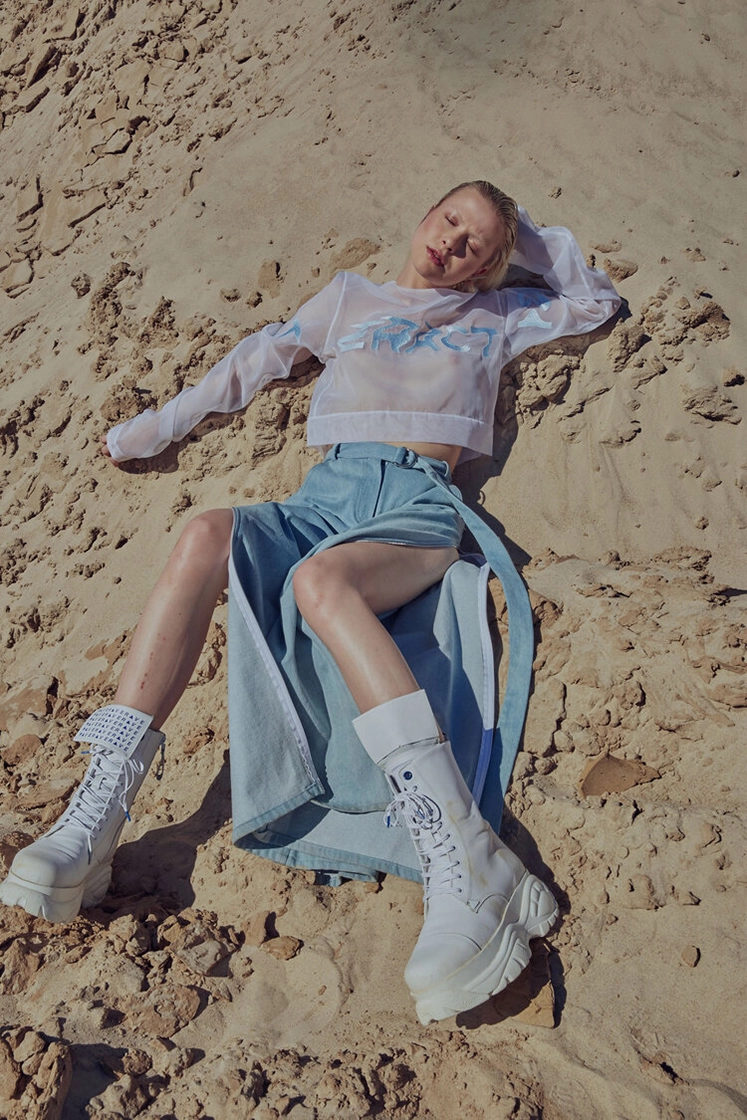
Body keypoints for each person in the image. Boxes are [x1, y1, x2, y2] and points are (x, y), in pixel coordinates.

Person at [0, 181, 620, 1023]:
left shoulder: (500, 313)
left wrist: (519, 240)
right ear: (421, 213)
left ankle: (471, 863)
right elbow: (252, 362)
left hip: (415, 502)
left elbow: (591, 300)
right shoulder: (347, 301)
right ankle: (98, 813)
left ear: (491, 266)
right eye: (448, 219)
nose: (453, 243)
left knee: (318, 583)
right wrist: (150, 431)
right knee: (202, 536)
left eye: (475, 243)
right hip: (320, 497)